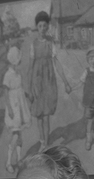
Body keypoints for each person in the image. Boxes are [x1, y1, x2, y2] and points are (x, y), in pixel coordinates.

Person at [26, 11, 72, 151]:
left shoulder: (51, 44)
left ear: (47, 27)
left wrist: (66, 82)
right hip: (37, 83)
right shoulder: (33, 45)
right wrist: (29, 89)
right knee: (38, 115)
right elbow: (30, 68)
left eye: (44, 26)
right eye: (40, 26)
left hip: (48, 82)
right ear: (37, 27)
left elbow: (56, 63)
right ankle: (42, 140)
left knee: (46, 115)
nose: (42, 29)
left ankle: (45, 144)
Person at [1, 45, 29, 174]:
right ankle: (8, 162)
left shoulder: (17, 74)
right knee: (15, 134)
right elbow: (6, 93)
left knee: (20, 134)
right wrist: (10, 109)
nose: (20, 63)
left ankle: (18, 159)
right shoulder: (8, 75)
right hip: (13, 107)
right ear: (14, 61)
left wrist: (28, 95)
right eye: (18, 61)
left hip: (21, 106)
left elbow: (20, 89)